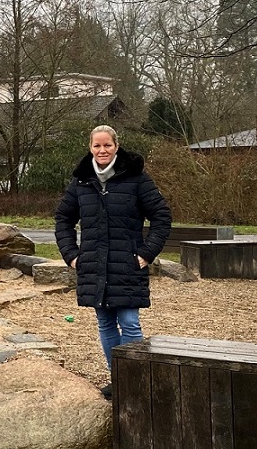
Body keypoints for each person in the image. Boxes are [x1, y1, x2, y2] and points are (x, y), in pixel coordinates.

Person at [54, 125, 171, 399]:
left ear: (116, 146)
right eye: (97, 146)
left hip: (126, 263)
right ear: (90, 148)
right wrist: (71, 255)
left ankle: (134, 379)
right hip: (94, 265)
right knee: (105, 323)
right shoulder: (81, 182)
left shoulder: (137, 179)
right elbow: (63, 219)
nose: (102, 150)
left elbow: (161, 217)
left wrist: (146, 253)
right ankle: (118, 378)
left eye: (107, 145)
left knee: (129, 322)